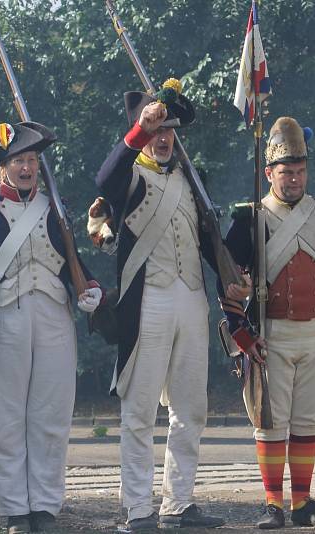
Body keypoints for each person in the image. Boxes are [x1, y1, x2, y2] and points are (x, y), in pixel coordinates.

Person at [219, 117, 315, 529]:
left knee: (307, 420)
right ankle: (273, 504)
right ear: (270, 173)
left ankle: (301, 503)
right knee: (270, 421)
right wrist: (240, 330)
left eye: (301, 172)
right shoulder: (249, 217)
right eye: (287, 172)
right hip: (274, 334)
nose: (295, 179)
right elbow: (228, 281)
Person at [94, 79, 226, 531]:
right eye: (154, 129)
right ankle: (138, 508)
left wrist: (234, 278)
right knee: (140, 412)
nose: (164, 137)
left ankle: (180, 502)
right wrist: (137, 134)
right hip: (147, 301)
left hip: (192, 299)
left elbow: (209, 241)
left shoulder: (193, 177)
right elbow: (105, 178)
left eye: (169, 129)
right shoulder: (130, 177)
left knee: (191, 410)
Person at [0, 117, 103, 534]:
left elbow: (72, 262)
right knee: (6, 421)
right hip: (6, 320)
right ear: (2, 168)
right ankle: (15, 511)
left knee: (51, 417)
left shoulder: (56, 209)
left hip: (55, 317)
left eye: (32, 160)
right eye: (18, 160)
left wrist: (91, 288)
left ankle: (44, 506)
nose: (26, 168)